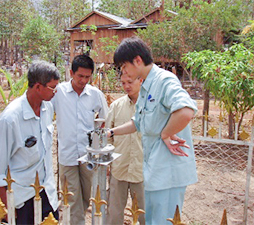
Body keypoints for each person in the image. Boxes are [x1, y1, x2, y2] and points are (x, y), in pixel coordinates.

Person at [108, 37, 198, 225]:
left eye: (124, 66)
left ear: (138, 60)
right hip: (154, 169)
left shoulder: (164, 80)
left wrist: (165, 133)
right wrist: (111, 132)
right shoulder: (146, 86)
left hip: (168, 172)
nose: (123, 71)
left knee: (162, 221)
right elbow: (137, 122)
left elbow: (186, 111)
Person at [0, 61, 60, 224]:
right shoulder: (10, 119)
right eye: (52, 87)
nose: (55, 92)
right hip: (22, 199)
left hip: (47, 192)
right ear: (37, 87)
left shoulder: (47, 108)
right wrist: (8, 208)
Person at [51, 54, 108, 225]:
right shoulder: (58, 92)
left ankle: (75, 220)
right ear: (71, 73)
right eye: (80, 76)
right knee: (72, 195)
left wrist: (99, 138)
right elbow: (42, 108)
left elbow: (106, 118)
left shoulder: (95, 95)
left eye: (87, 77)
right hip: (67, 154)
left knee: (85, 194)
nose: (83, 80)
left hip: (87, 154)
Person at [106, 74, 145, 225]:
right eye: (123, 83)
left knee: (145, 214)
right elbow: (108, 137)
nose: (126, 86)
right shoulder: (116, 106)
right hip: (119, 168)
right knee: (114, 214)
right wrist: (109, 163)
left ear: (140, 80)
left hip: (141, 170)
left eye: (130, 82)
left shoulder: (149, 106)